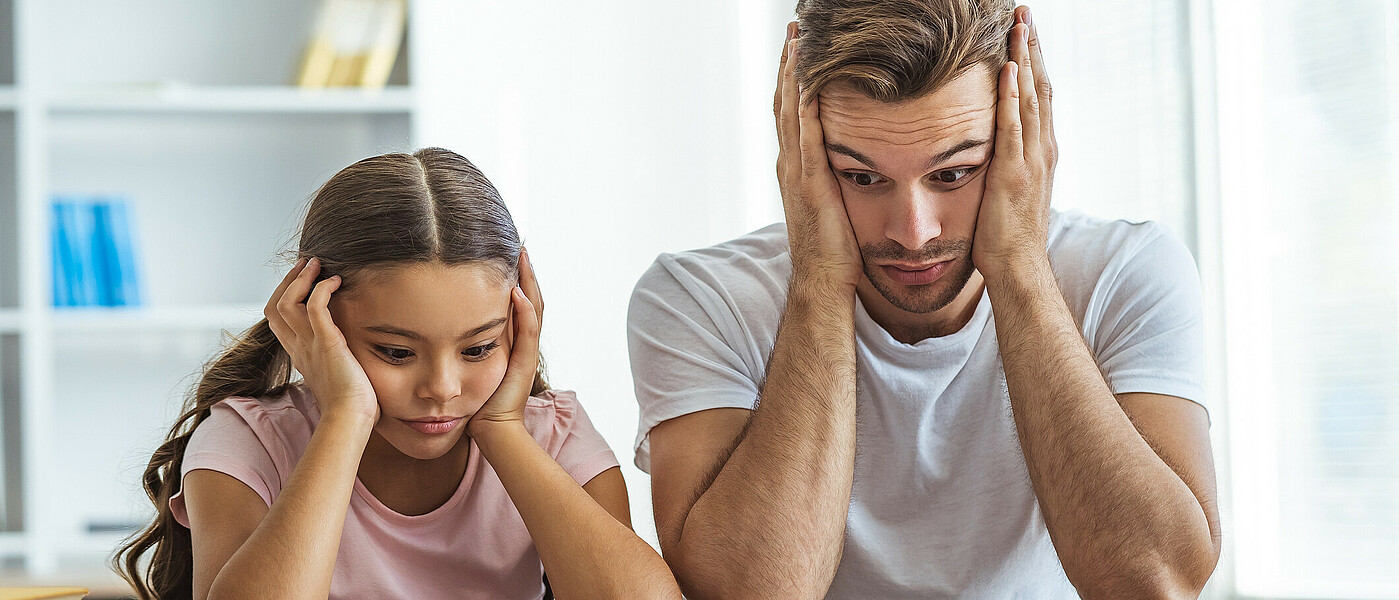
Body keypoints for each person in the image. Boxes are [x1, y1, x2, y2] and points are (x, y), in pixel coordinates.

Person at [627, 2, 1221, 598]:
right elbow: (748, 593)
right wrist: (820, 283)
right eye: (861, 177)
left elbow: (1156, 583)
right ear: (799, 152)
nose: (915, 233)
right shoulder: (697, 300)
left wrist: (1019, 270)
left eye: (954, 173)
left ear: (1026, 138)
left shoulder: (1125, 274)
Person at [115, 148, 683, 600]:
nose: (442, 388)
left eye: (478, 347)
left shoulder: (553, 439)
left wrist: (504, 429)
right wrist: (345, 416)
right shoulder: (251, 441)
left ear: (518, 324)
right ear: (317, 321)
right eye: (395, 352)